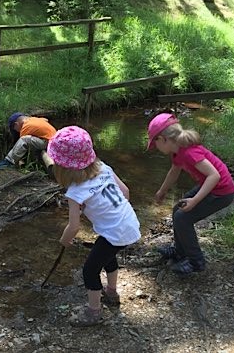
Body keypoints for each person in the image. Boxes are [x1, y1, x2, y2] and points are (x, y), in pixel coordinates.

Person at [47, 126, 141, 327]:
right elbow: (125, 192)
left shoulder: (75, 192)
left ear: (62, 168)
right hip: (129, 222)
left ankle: (94, 312)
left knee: (90, 270)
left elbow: (73, 227)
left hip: (115, 231)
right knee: (108, 255)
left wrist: (64, 240)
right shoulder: (104, 168)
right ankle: (112, 292)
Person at [147, 113, 234, 274]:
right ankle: (180, 252)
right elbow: (174, 172)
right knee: (178, 209)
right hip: (211, 186)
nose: (156, 148)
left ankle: (196, 262)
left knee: (183, 217)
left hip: (222, 192)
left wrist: (195, 200)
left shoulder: (189, 152)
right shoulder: (177, 151)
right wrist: (162, 191)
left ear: (163, 139)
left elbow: (214, 175)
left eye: (155, 143)